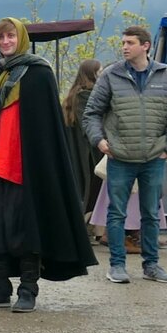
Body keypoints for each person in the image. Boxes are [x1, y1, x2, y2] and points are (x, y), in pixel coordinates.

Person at [0, 17, 94, 311]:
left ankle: (28, 289)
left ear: (20, 38)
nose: (6, 42)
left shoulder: (39, 75)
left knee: (25, 230)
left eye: (10, 36)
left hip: (27, 169)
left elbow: (47, 131)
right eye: (1, 38)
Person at [82, 24, 167, 286]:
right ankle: (117, 265)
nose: (124, 47)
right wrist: (100, 141)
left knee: (150, 213)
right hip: (120, 156)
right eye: (123, 42)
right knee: (117, 213)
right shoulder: (111, 75)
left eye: (130, 43)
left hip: (153, 157)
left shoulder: (166, 77)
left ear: (145, 46)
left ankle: (152, 265)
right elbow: (91, 113)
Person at [61, 57, 102, 220]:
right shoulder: (85, 96)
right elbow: (89, 125)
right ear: (92, 74)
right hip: (88, 151)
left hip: (80, 149)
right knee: (91, 189)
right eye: (99, 72)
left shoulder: (74, 96)